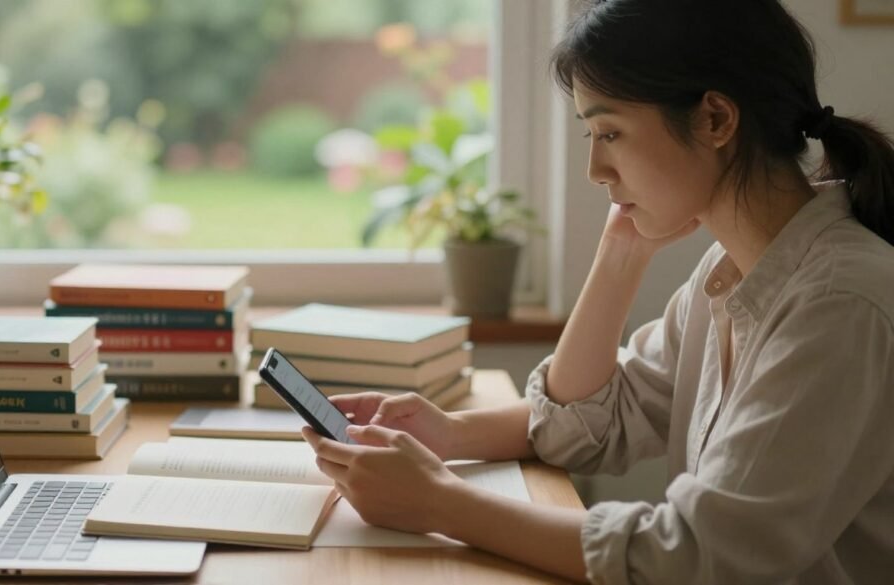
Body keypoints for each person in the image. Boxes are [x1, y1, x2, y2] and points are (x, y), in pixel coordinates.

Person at [303, 1, 894, 583]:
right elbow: (585, 429)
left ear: (716, 119)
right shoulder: (735, 270)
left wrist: (440, 503)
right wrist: (451, 434)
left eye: (609, 132)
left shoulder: (838, 302)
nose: (595, 168)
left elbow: (700, 557)